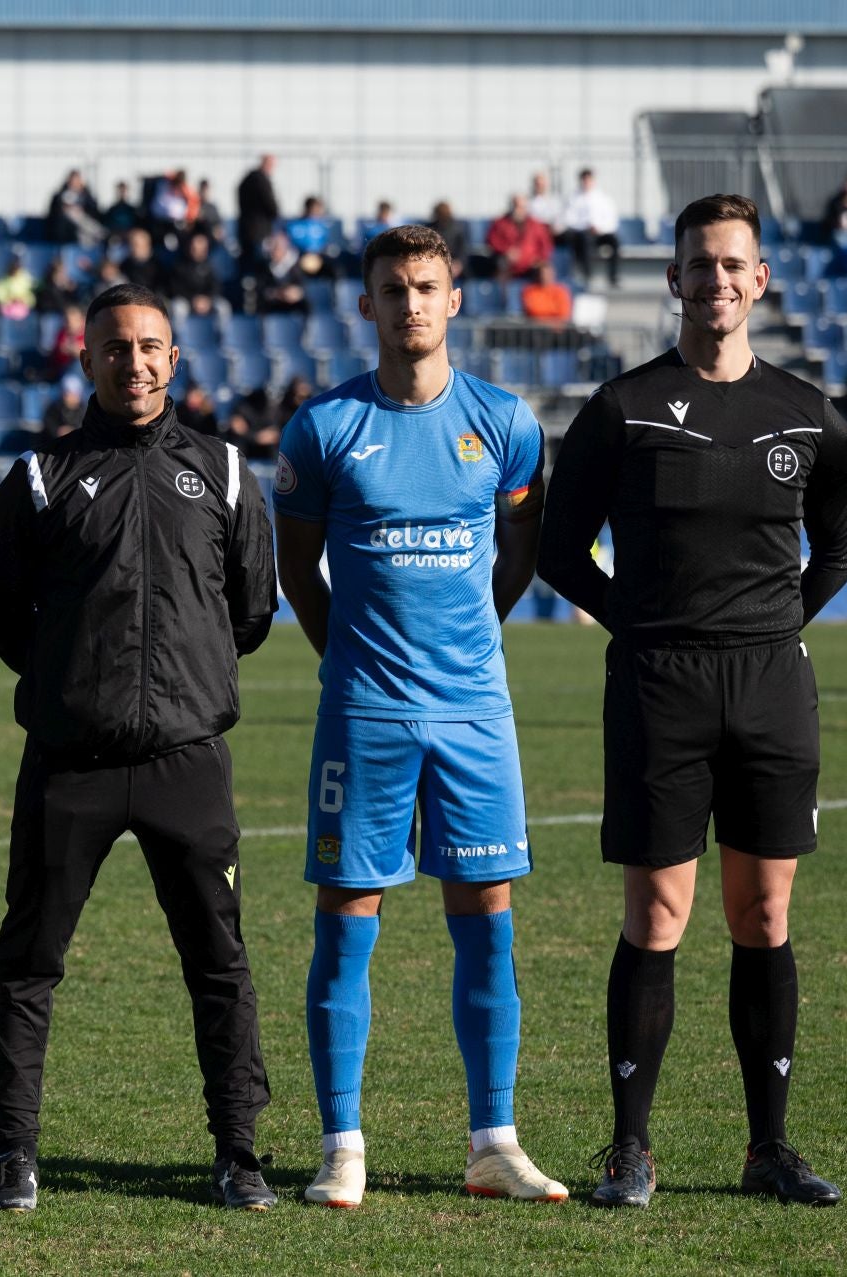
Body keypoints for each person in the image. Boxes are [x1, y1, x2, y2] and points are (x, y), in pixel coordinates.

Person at [537, 194, 847, 1211]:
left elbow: (837, 550)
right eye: (698, 266)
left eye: (733, 265)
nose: (716, 281)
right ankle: (630, 1149)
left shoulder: (811, 413)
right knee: (657, 914)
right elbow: (555, 546)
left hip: (770, 687)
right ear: (672, 280)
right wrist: (635, 620)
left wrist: (769, 628)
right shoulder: (623, 407)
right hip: (658, 687)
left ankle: (770, 1148)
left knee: (764, 915)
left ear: (760, 279)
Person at [273, 224, 564, 1210]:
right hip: (366, 711)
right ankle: (341, 1141)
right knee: (348, 915)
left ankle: (494, 1140)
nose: (410, 304)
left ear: (453, 300)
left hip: (476, 711)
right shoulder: (323, 428)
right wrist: (347, 660)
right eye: (392, 288)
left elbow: (521, 535)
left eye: (427, 286)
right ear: (367, 305)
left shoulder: (506, 422)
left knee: (488, 916)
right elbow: (295, 566)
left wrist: (482, 631)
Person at [0, 282, 277, 1214]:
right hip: (72, 763)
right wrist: (75, 684)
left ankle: (238, 1151)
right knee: (30, 960)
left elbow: (252, 610)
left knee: (218, 964)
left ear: (174, 360)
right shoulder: (38, 479)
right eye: (115, 348)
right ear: (86, 360)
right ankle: (16, 1152)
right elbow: (0, 614)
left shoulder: (224, 472)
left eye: (150, 347)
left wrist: (183, 682)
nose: (133, 362)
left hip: (189, 761)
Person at [563, 169, 622, 289]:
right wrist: (586, 226)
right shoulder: (573, 198)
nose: (586, 182)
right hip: (583, 233)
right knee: (583, 240)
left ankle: (613, 277)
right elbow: (569, 219)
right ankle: (587, 275)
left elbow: (612, 220)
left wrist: (599, 228)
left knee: (614, 241)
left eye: (589, 179)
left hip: (601, 233)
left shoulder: (603, 198)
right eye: (584, 180)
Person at [487, 194, 553, 280]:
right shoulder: (500, 223)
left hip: (531, 265)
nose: (519, 210)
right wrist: (506, 251)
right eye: (516, 206)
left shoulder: (536, 225)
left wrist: (539, 259)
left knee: (545, 271)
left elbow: (546, 246)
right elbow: (492, 241)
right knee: (500, 266)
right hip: (508, 263)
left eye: (522, 207)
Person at [237, 155, 280, 264]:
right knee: (259, 265)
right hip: (259, 232)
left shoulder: (246, 180)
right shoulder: (261, 180)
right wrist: (275, 213)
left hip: (246, 230)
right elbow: (270, 205)